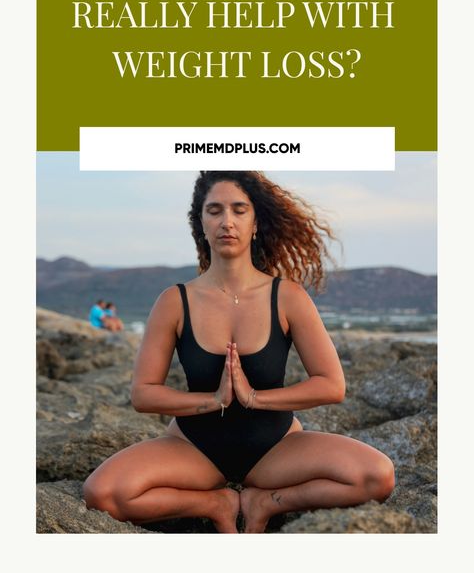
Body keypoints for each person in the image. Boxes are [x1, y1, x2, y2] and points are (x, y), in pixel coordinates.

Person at [83, 171, 395, 533]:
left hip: (276, 449)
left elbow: (331, 385)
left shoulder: (288, 297)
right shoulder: (175, 301)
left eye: (239, 210)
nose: (226, 221)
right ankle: (217, 503)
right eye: (214, 211)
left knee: (377, 476)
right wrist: (213, 400)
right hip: (194, 449)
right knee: (101, 493)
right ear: (200, 223)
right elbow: (143, 393)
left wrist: (254, 398)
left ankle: (264, 501)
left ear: (255, 222)